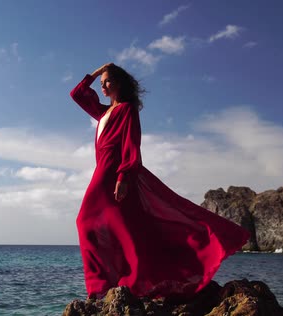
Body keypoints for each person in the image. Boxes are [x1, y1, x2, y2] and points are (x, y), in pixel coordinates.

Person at [70, 62, 250, 299]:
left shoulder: (127, 109)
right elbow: (77, 94)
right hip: (101, 170)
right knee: (120, 228)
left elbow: (132, 144)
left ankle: (106, 286)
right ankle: (112, 284)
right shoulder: (104, 112)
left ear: (119, 83)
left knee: (87, 221)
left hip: (113, 172)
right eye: (101, 83)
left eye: (108, 81)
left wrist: (124, 176)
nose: (103, 86)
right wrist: (97, 72)